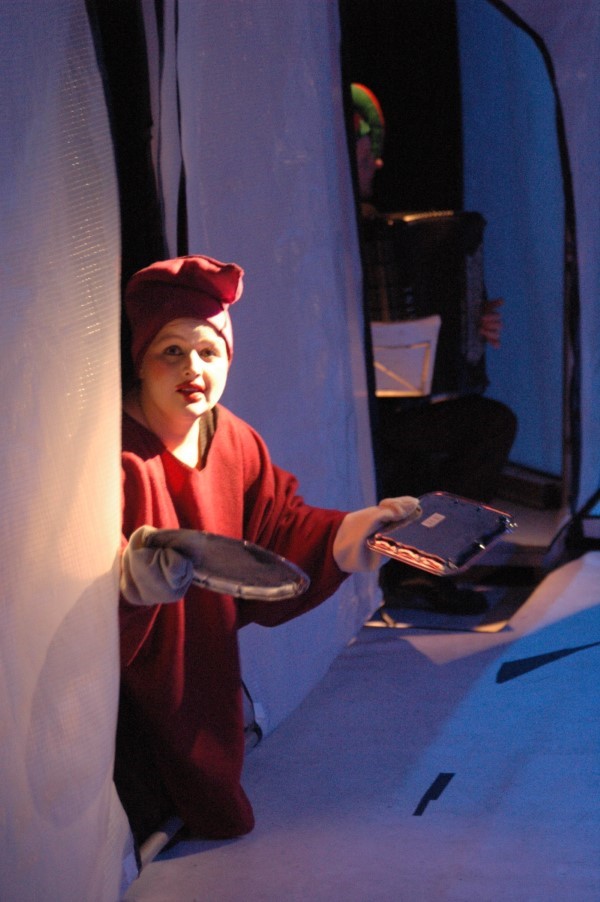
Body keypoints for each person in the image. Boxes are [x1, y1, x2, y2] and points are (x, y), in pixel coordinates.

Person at [115, 254, 420, 845]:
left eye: (209, 351)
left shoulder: (234, 439)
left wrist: (359, 529)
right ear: (141, 359)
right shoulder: (117, 454)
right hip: (131, 684)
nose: (193, 368)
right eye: (171, 351)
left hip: (204, 660)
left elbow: (277, 533)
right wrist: (129, 579)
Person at [350, 83, 517, 606]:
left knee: (485, 422)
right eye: (365, 155)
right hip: (349, 408)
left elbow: (426, 323)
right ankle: (418, 566)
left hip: (391, 406)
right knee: (486, 426)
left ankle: (423, 564)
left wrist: (470, 325)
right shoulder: (334, 237)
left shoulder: (381, 231)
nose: (377, 163)